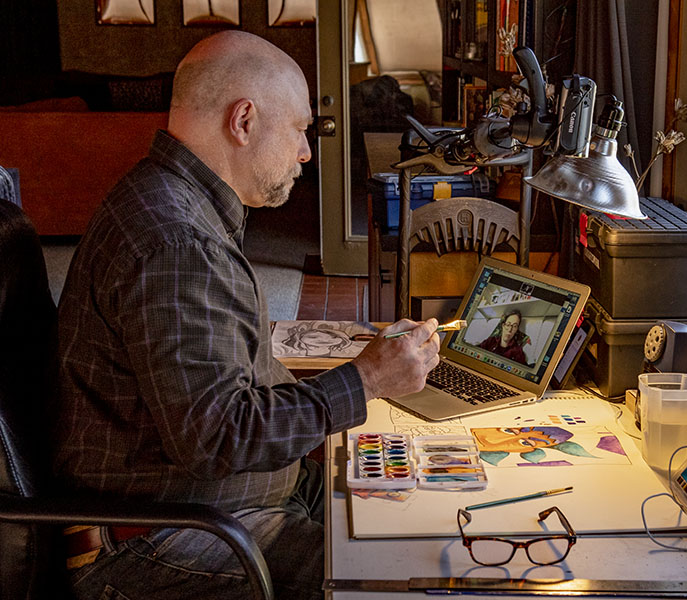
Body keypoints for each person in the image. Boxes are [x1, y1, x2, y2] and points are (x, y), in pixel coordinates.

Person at [52, 31, 440, 600]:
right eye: (299, 129)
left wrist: (354, 377)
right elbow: (217, 437)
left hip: (213, 504)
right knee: (407, 577)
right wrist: (367, 379)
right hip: (160, 535)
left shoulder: (173, 201)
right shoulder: (178, 244)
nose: (306, 152)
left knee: (417, 515)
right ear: (244, 121)